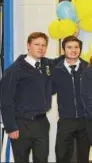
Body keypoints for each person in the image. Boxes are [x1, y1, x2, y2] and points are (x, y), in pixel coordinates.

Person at [0, 32, 62, 162]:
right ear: (28, 46)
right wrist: (11, 126)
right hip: (21, 124)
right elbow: (6, 100)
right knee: (21, 160)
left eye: (44, 45)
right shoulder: (15, 70)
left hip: (41, 123)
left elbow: (62, 59)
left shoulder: (46, 64)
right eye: (37, 44)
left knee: (42, 159)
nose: (41, 48)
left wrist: (70, 37)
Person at [51, 36, 90, 163]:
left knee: (82, 157)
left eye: (76, 47)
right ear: (64, 50)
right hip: (65, 120)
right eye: (69, 47)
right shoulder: (56, 70)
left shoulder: (88, 68)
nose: (73, 50)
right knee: (62, 155)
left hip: (85, 120)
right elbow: (50, 90)